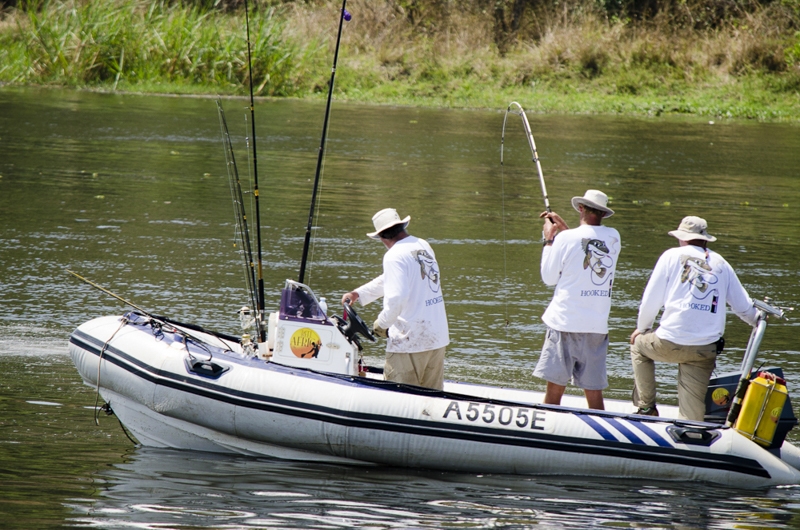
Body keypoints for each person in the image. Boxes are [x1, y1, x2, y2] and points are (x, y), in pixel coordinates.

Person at [630, 216, 758, 421]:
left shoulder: (671, 256)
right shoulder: (721, 263)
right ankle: (692, 432)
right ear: (705, 240)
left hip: (668, 342)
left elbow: (650, 301)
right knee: (692, 414)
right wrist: (758, 322)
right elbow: (744, 309)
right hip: (704, 349)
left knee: (638, 345)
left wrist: (642, 329)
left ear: (682, 238)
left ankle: (647, 408)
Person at [341, 208, 450, 390]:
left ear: (382, 237)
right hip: (436, 338)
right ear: (402, 227)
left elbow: (397, 296)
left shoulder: (393, 256)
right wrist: (359, 293)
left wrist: (382, 324)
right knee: (431, 399)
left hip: (409, 341)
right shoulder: (422, 244)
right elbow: (394, 279)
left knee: (400, 398)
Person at [534, 190, 621, 410]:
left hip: (565, 323)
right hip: (596, 327)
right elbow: (585, 243)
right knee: (594, 395)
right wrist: (565, 232)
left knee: (554, 393)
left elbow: (549, 278)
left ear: (581, 208)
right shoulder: (614, 237)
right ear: (603, 213)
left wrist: (549, 239)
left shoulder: (565, 238)